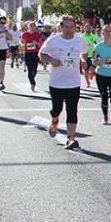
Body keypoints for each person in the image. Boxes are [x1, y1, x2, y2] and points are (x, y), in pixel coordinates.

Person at [38, 16, 85, 150]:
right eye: (66, 27)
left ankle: (71, 138)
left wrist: (84, 60)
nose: (69, 30)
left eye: (72, 27)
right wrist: (52, 61)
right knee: (56, 109)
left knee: (72, 110)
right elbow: (42, 54)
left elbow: (84, 53)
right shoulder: (54, 40)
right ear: (61, 27)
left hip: (73, 82)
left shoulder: (79, 41)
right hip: (57, 82)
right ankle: (54, 120)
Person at [92, 25, 111, 125]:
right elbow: (93, 61)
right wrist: (101, 61)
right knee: (104, 96)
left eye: (110, 31)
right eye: (106, 31)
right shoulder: (98, 47)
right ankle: (105, 116)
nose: (108, 33)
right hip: (101, 74)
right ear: (102, 33)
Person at [20, 21, 43, 91]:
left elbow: (40, 45)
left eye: (34, 26)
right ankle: (32, 83)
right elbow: (21, 43)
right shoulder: (24, 34)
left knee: (35, 69)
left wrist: (36, 42)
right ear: (28, 27)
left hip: (35, 53)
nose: (32, 28)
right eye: (31, 26)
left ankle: (32, 78)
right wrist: (23, 46)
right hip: (27, 53)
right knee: (30, 69)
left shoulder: (38, 35)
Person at [81, 23, 99, 88]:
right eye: (87, 27)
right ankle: (87, 82)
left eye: (89, 27)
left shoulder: (93, 36)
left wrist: (93, 44)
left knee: (92, 68)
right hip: (84, 54)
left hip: (92, 54)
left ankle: (91, 73)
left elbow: (96, 44)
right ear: (84, 28)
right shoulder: (81, 36)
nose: (88, 29)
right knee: (86, 69)